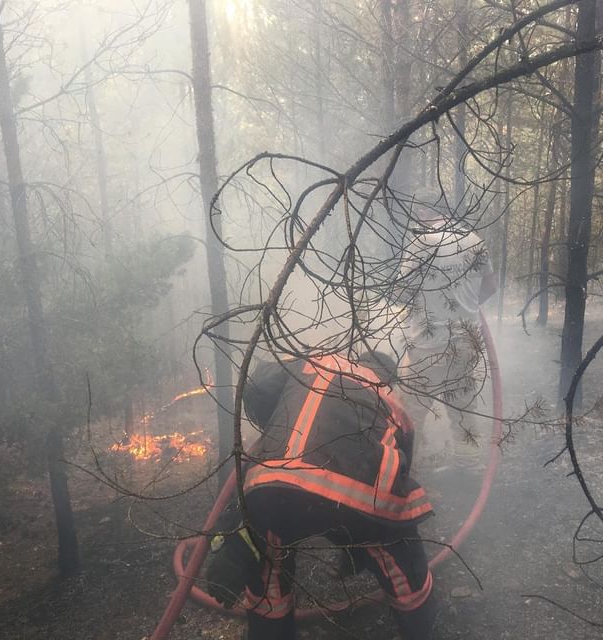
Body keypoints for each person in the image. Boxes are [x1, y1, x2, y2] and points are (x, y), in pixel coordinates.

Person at [206, 351, 436, 640]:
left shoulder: (314, 363)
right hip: (360, 499)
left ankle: (270, 628)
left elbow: (259, 387)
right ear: (387, 377)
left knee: (268, 559)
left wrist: (277, 428)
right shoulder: (392, 404)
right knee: (397, 550)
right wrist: (357, 543)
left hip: (275, 485)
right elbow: (399, 470)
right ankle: (418, 627)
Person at [398, 189, 497, 471]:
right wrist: (465, 305)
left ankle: (407, 472)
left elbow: (403, 290)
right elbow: (490, 286)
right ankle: (468, 466)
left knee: (411, 411)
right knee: (462, 405)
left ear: (425, 212)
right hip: (466, 341)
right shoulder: (474, 240)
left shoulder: (421, 242)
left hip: (427, 344)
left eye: (418, 213)